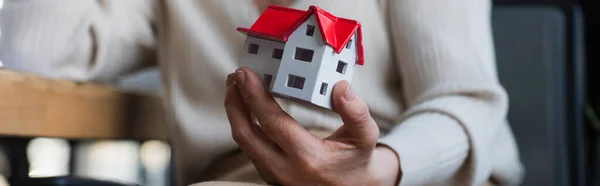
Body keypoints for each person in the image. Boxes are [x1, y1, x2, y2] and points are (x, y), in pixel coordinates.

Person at [0, 0, 524, 185]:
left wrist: (383, 168)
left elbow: (467, 100)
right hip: (241, 173)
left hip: (417, 174)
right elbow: (30, 44)